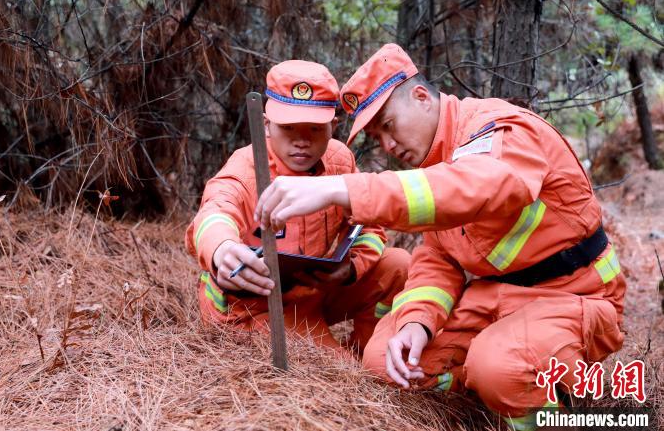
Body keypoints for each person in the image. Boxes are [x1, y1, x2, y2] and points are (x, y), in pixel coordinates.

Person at [254, 44, 625, 428]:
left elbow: (478, 186)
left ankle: (544, 408)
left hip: (573, 294)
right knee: (386, 362)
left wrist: (344, 189)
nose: (388, 145)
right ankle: (485, 388)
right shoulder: (436, 163)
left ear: (420, 97)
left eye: (388, 125)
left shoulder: (499, 127)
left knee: (499, 368)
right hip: (493, 299)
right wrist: (417, 323)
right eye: (377, 136)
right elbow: (438, 260)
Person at [185, 59, 410, 352]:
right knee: (337, 377)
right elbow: (215, 211)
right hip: (252, 307)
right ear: (266, 126)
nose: (302, 141)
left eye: (315, 129)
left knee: (398, 265)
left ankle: (367, 352)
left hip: (311, 290)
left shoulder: (339, 161)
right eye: (288, 127)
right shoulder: (246, 168)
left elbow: (367, 224)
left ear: (333, 127)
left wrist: (351, 268)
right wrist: (221, 249)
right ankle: (349, 364)